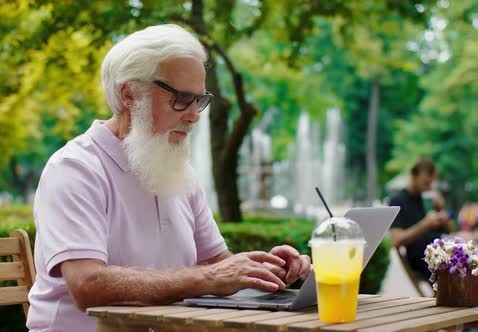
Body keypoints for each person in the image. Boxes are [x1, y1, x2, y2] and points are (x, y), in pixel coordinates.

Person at [26, 24, 311, 332]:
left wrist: (265, 272)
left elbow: (218, 266)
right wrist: (210, 278)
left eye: (199, 100)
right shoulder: (75, 169)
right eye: (181, 98)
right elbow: (87, 285)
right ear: (130, 95)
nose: (193, 115)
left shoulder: (177, 171)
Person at [389, 158, 454, 279]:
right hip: (422, 258)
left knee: (469, 261)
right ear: (414, 176)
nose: (429, 187)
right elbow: (396, 240)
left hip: (442, 253)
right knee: (462, 270)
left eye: (431, 183)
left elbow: (451, 229)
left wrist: (441, 208)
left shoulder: (427, 198)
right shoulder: (398, 200)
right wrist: (425, 224)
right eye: (426, 183)